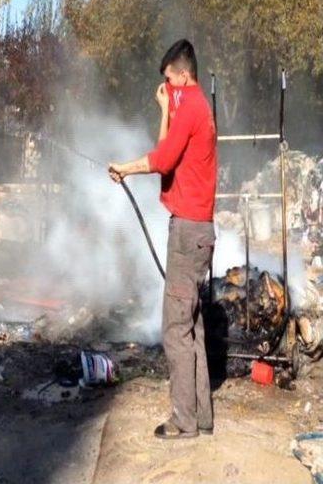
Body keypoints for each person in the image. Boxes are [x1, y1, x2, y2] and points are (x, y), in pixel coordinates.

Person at [108, 39, 217, 439]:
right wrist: (163, 109)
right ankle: (201, 416)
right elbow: (167, 149)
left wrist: (124, 167)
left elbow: (160, 160)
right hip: (196, 230)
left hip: (188, 232)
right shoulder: (193, 107)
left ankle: (184, 421)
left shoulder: (190, 107)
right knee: (193, 326)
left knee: (174, 328)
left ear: (182, 75)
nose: (166, 86)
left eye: (169, 79)